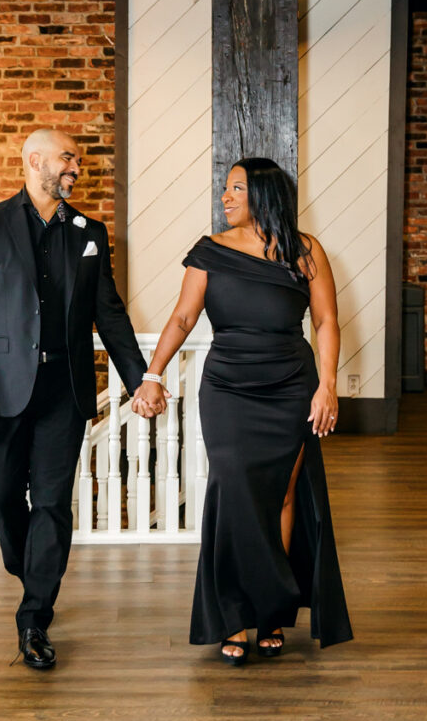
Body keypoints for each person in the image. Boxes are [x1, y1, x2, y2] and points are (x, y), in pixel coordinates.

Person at [0, 128, 157, 671]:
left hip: (65, 391)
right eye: (68, 158)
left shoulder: (91, 232)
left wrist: (140, 380)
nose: (76, 168)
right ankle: (33, 572)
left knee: (51, 504)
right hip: (0, 393)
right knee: (2, 499)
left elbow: (109, 313)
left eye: (78, 161)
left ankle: (34, 617)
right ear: (34, 160)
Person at [134, 157, 353, 663]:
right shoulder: (209, 251)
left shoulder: (305, 250)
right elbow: (183, 317)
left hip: (291, 387)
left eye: (236, 188)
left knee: (283, 496)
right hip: (228, 388)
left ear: (264, 194)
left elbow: (325, 321)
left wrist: (327, 386)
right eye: (226, 188)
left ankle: (271, 611)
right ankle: (232, 616)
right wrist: (152, 375)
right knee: (232, 491)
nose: (226, 196)